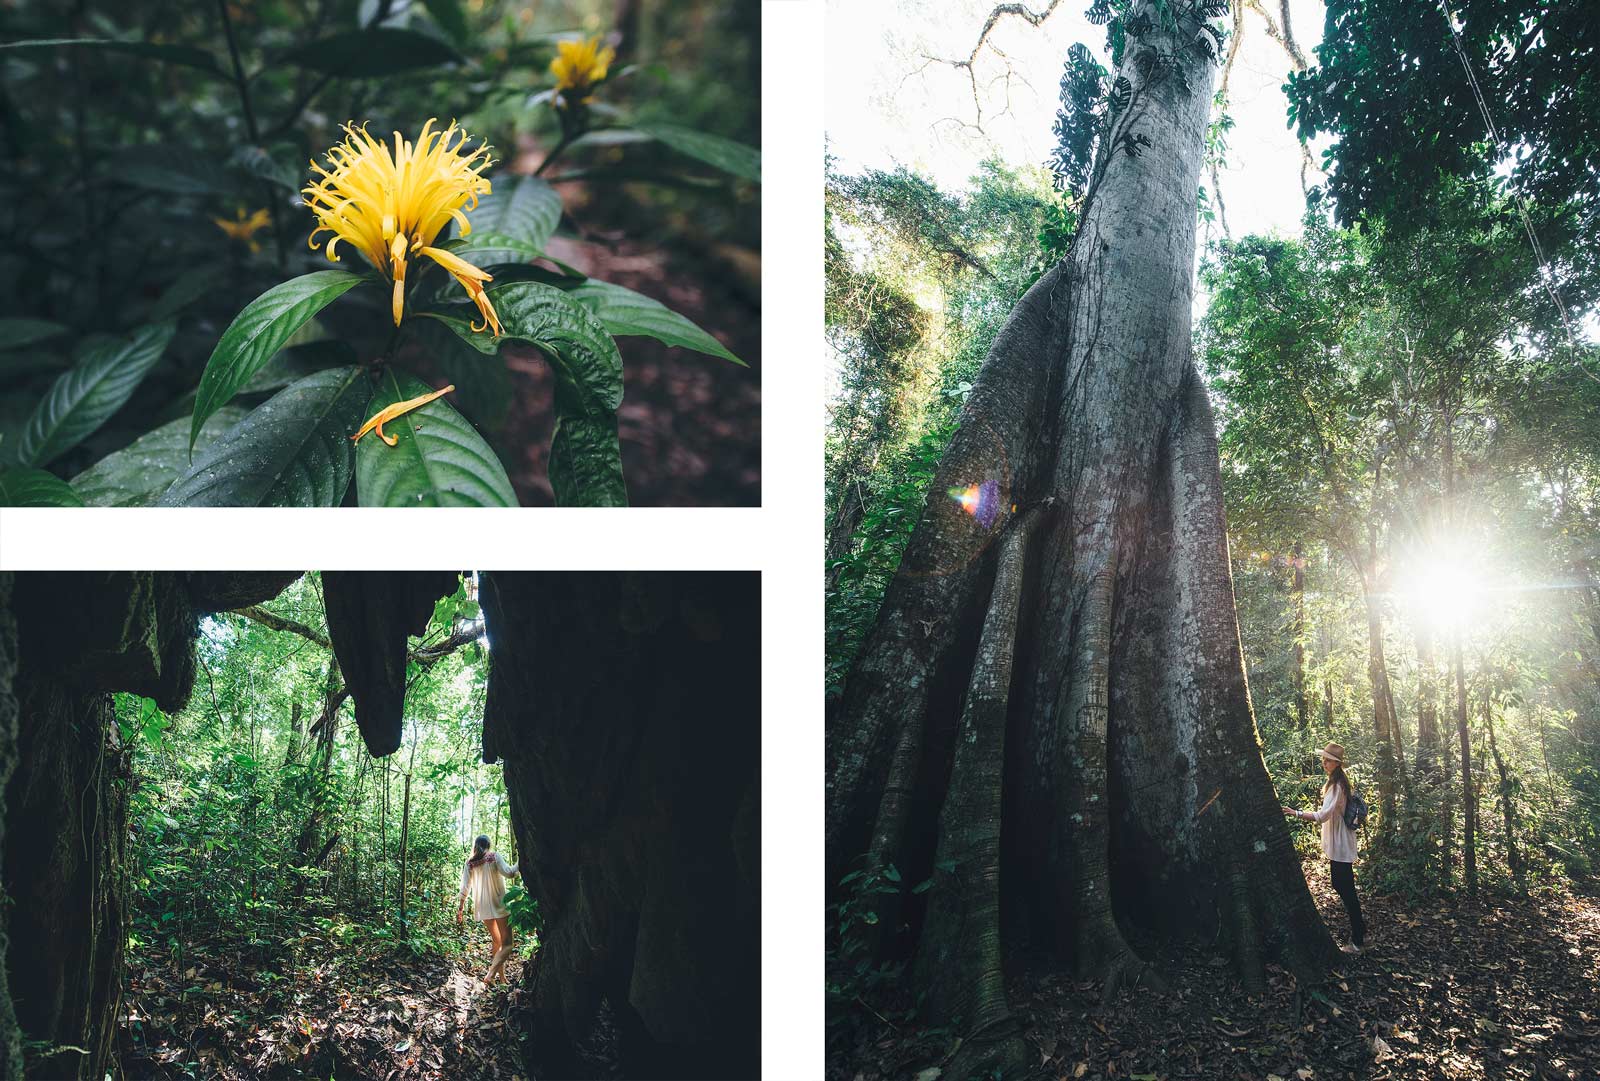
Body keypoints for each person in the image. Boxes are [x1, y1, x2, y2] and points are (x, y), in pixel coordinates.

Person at [1283, 742, 1367, 954]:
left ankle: (1358, 939)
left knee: (1344, 887)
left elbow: (1324, 815)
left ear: (1337, 763)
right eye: (1324, 759)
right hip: (1339, 843)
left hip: (1341, 844)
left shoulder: (1337, 786)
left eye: (1328, 760)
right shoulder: (1336, 782)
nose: (1324, 762)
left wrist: (1296, 813)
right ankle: (1359, 932)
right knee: (1341, 885)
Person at [455, 834, 521, 985]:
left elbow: (465, 887)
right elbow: (510, 873)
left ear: (475, 845)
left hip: (483, 907)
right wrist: (521, 859)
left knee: (497, 942)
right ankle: (490, 975)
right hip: (499, 904)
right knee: (508, 944)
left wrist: (460, 908)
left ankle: (502, 979)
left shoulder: (470, 863)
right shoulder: (494, 857)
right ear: (488, 845)